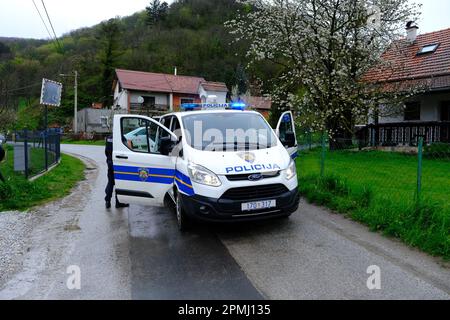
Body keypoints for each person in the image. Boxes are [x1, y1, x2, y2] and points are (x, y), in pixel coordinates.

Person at [105, 135, 129, 209]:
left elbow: (106, 151)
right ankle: (118, 203)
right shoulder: (122, 137)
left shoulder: (109, 138)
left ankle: (107, 201)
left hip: (110, 163)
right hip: (119, 162)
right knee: (119, 183)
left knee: (110, 182)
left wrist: (109, 158)